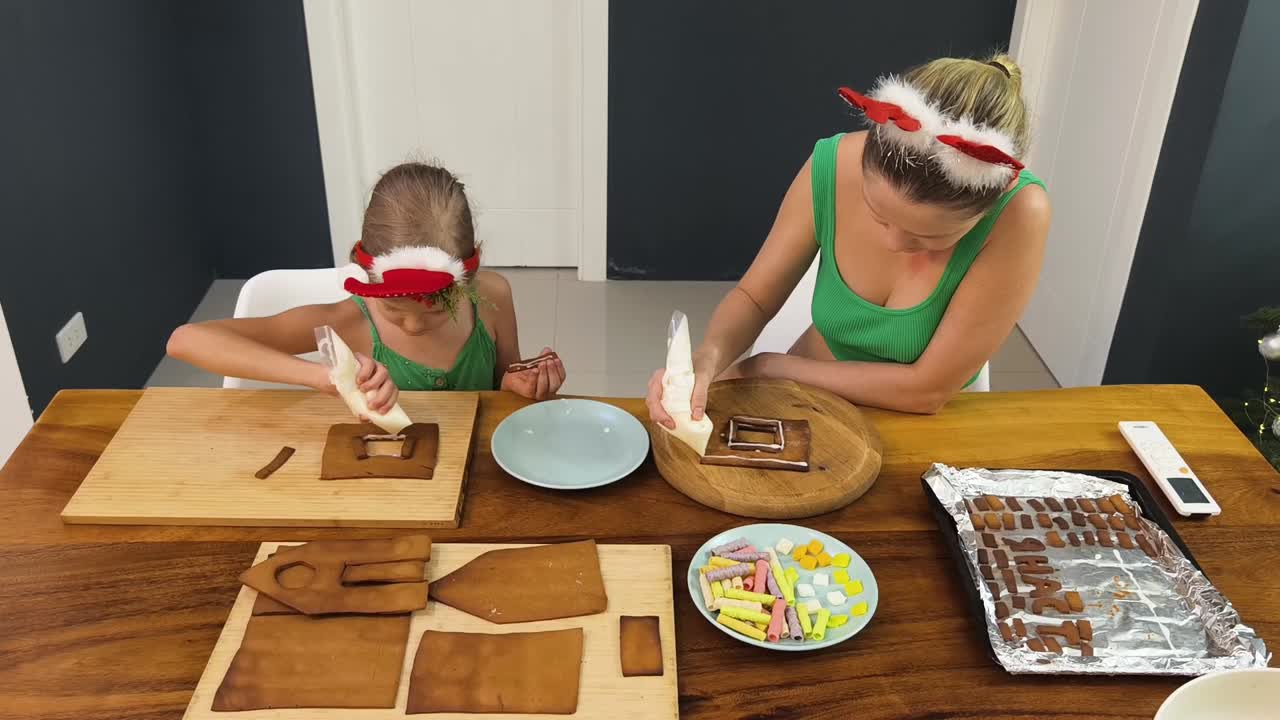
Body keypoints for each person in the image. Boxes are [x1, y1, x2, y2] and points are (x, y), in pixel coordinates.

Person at [647, 53, 1050, 425]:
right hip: (808, 394)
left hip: (926, 422)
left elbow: (927, 391)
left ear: (990, 204)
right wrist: (708, 356)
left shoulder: (1020, 214)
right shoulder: (832, 165)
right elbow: (755, 296)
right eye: (879, 216)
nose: (894, 244)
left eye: (928, 237)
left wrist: (771, 366)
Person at [168, 161, 566, 415]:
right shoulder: (347, 322)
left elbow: (502, 386)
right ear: (366, 274)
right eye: (394, 308)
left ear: (470, 271)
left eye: (436, 308)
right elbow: (187, 340)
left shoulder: (493, 297)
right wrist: (321, 377)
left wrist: (519, 385)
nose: (412, 325)